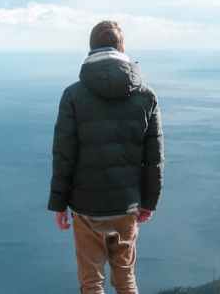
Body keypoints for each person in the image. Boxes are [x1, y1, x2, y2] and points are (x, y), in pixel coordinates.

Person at [48, 20, 164, 294]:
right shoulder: (146, 96)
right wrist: (149, 202)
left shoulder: (73, 95)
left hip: (86, 206)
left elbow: (64, 154)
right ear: (122, 48)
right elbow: (154, 157)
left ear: (91, 48)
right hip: (126, 206)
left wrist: (59, 204)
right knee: (125, 278)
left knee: (91, 282)